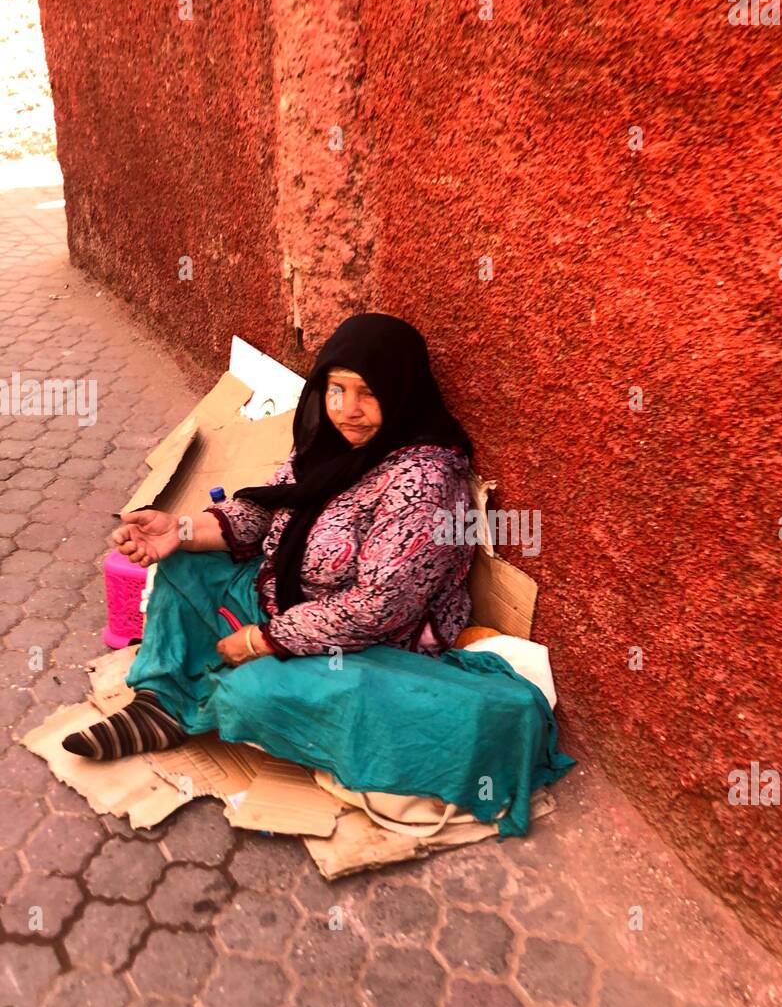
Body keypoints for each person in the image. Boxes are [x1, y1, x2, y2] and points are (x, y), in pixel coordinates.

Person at [62, 312, 477, 760]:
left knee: (253, 695)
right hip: (285, 595)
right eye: (336, 390)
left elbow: (377, 609)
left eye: (369, 393)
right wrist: (180, 529)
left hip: (369, 644)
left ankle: (210, 700)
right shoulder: (329, 443)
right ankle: (159, 703)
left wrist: (261, 640)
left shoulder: (424, 481)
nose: (347, 409)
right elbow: (265, 513)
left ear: (403, 395)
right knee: (185, 562)